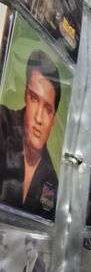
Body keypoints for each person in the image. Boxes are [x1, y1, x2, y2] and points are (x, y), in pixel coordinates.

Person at [0, 49, 61, 219]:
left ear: (53, 120)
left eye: (48, 109)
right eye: (34, 99)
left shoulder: (52, 181)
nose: (39, 118)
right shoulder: (3, 123)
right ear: (25, 96)